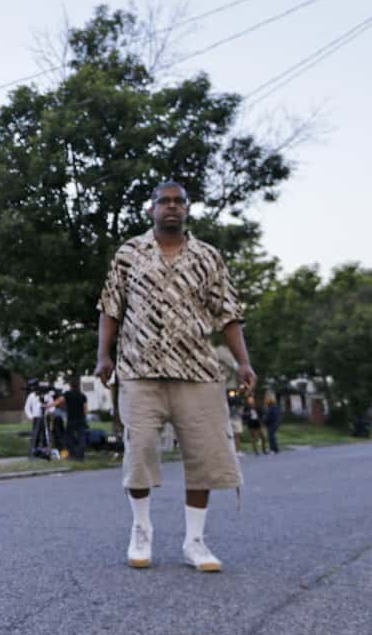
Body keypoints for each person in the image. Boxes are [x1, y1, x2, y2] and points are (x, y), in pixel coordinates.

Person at [95, 181, 256, 573]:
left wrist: (243, 362)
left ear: (187, 209)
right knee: (141, 449)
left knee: (204, 454)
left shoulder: (208, 257)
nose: (171, 207)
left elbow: (227, 313)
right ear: (151, 209)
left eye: (178, 201)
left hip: (197, 371)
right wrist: (103, 355)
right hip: (138, 369)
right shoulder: (129, 254)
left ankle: (195, 541)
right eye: (163, 201)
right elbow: (110, 308)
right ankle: (141, 530)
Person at [61, 385, 89, 461]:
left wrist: (49, 405)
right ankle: (81, 456)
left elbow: (60, 401)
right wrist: (84, 417)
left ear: (70, 386)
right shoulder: (82, 395)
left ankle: (72, 454)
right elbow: (85, 409)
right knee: (82, 438)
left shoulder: (68, 394)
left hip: (71, 420)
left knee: (68, 438)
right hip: (81, 420)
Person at [24, 382, 47, 458]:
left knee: (45, 434)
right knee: (35, 435)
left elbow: (51, 405)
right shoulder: (31, 396)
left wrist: (49, 412)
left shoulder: (46, 395)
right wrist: (31, 416)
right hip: (36, 417)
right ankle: (34, 450)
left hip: (45, 417)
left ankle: (45, 450)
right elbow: (27, 407)